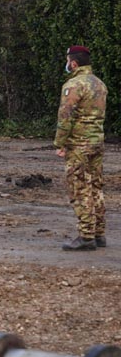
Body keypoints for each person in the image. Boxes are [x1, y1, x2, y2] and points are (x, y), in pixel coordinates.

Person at [55, 45, 108, 251]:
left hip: (79, 144)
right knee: (96, 187)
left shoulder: (74, 85)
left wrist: (60, 143)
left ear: (73, 63)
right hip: (97, 142)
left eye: (68, 60)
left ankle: (86, 236)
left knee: (79, 188)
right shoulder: (99, 84)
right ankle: (98, 233)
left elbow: (65, 117)